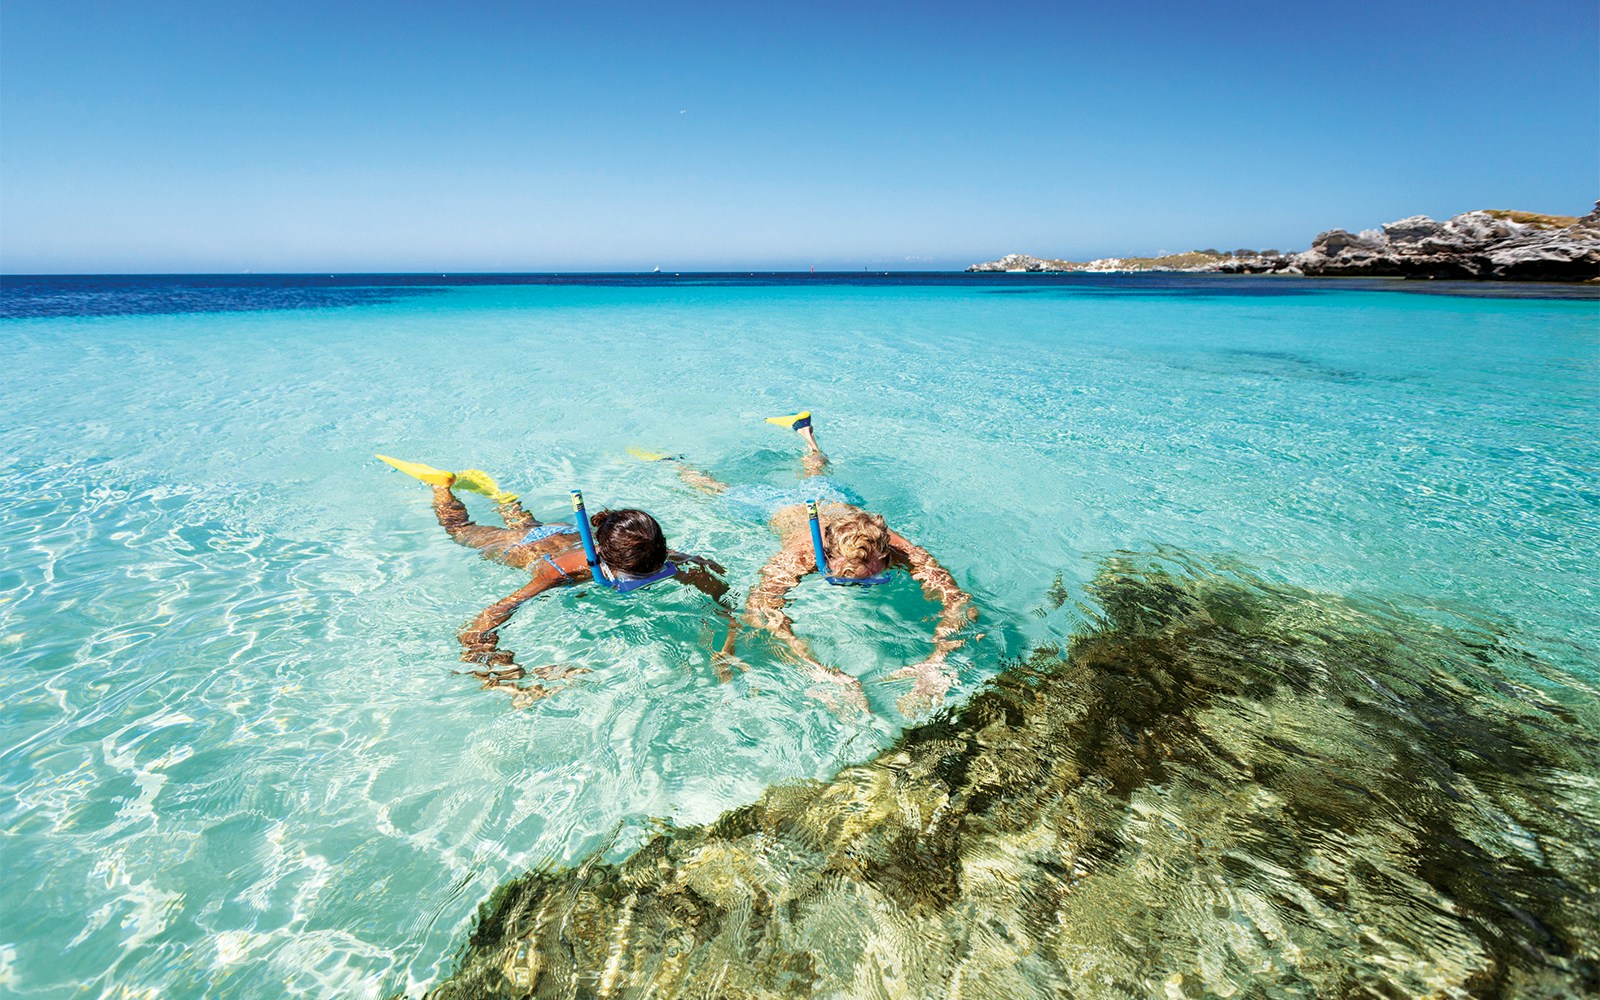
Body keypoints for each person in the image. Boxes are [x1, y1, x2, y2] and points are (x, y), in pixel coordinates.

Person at [668, 412, 975, 714]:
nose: (863, 584)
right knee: (716, 490)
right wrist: (816, 669)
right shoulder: (802, 555)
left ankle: (806, 432)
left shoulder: (896, 547)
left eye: (873, 577)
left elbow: (958, 602)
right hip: (781, 509)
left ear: (883, 553)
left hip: (830, 498)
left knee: (817, 471)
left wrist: (938, 660)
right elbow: (762, 609)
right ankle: (676, 462)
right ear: (829, 558)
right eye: (852, 579)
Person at [377, 456, 735, 705]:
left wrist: (726, 641)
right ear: (602, 561)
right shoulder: (561, 573)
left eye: (653, 570)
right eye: (633, 577)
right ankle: (442, 488)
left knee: (529, 522)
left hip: (564, 534)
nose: (649, 577)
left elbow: (717, 588)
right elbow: (482, 623)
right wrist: (508, 677)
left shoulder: (663, 558)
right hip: (532, 550)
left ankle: (506, 502)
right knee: (462, 531)